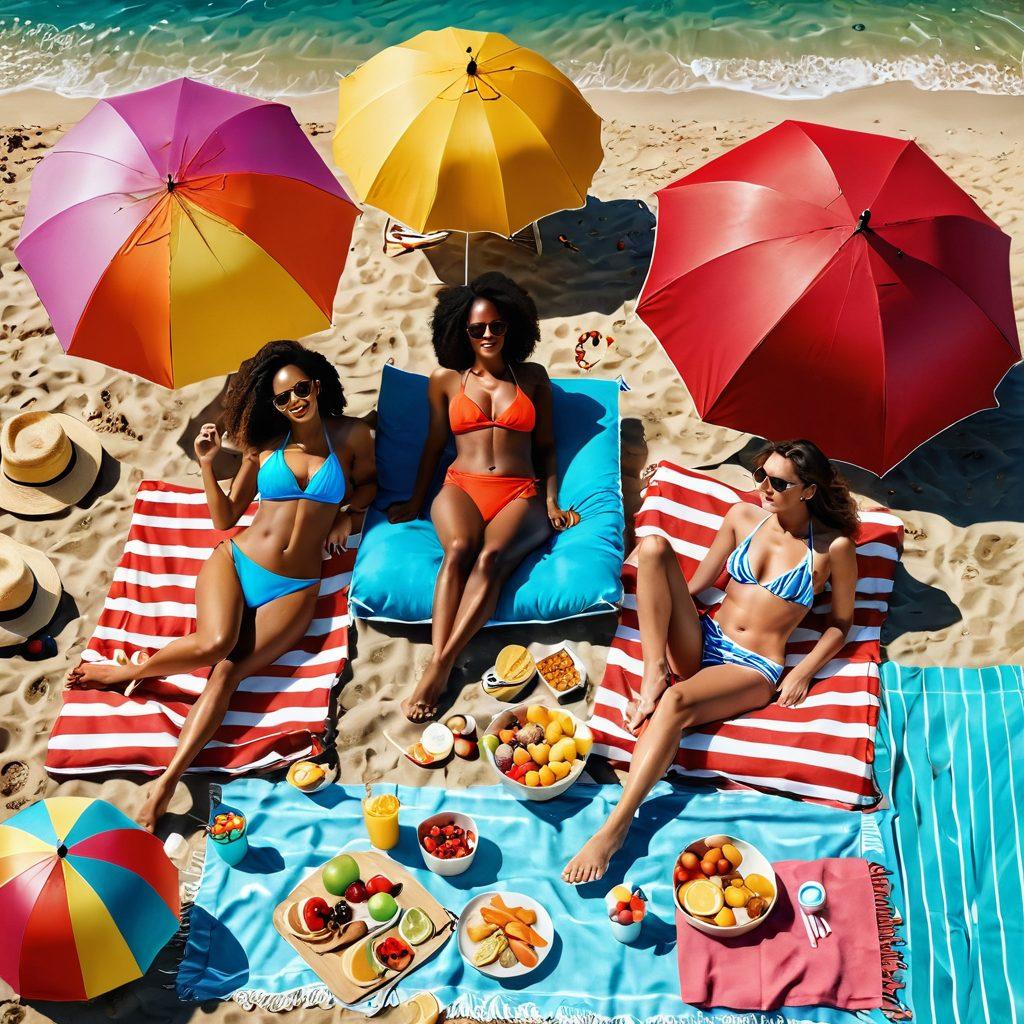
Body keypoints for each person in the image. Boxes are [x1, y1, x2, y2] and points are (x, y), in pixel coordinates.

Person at [66, 340, 376, 830]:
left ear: (316, 385)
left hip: (295, 587)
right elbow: (224, 516)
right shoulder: (264, 449)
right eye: (282, 397)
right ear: (271, 404)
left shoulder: (352, 435)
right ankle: (130, 674)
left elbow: (370, 483)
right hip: (237, 560)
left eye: (300, 389)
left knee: (227, 674)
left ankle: (167, 781)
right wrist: (209, 464)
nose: (294, 400)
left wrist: (347, 514)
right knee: (215, 643)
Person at [563, 439, 860, 884]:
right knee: (654, 548)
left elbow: (841, 623)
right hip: (706, 637)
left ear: (808, 491)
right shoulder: (743, 517)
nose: (764, 486)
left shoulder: (832, 549)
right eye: (760, 474)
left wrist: (802, 671)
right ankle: (653, 677)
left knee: (678, 702)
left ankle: (615, 828)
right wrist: (659, 593)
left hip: (752, 667)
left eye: (778, 482)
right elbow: (698, 585)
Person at [387, 273, 574, 721]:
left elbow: (546, 446)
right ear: (460, 333)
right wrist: (415, 501)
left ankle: (440, 664)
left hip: (519, 492)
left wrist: (551, 502)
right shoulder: (445, 380)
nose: (488, 335)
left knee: (490, 558)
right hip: (461, 485)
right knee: (458, 550)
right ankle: (441, 660)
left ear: (512, 326)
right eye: (477, 329)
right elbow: (434, 445)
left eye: (496, 325)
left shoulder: (532, 377)